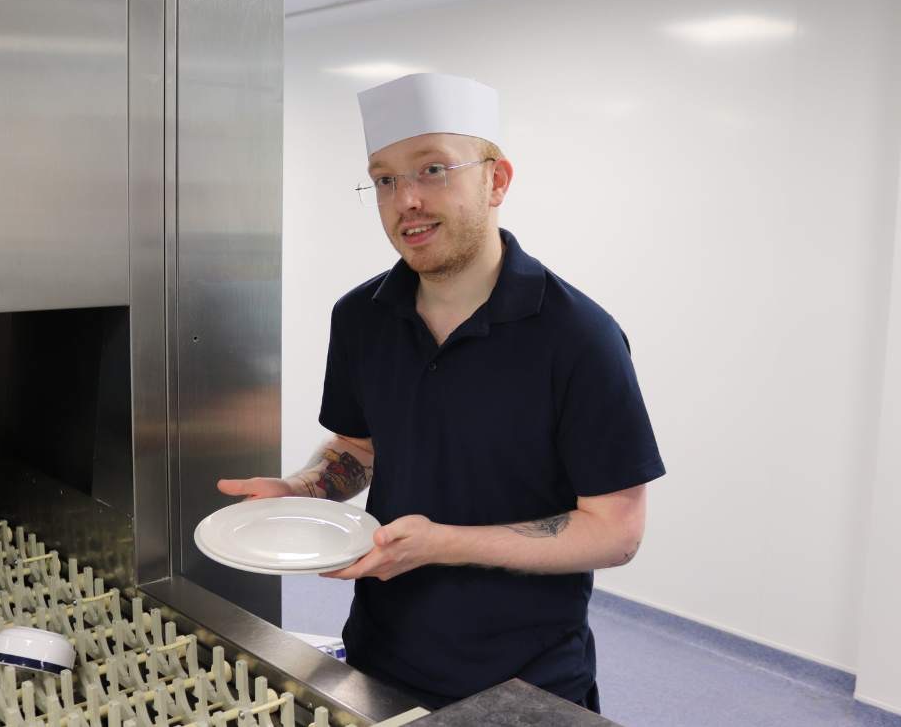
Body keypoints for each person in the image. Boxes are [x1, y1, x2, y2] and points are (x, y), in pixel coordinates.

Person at [217, 72, 665, 712]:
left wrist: (442, 543)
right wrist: (296, 492)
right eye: (385, 178)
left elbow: (615, 532)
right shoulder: (361, 317)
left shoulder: (578, 337)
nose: (407, 200)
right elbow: (358, 447)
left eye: (433, 169)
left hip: (526, 680)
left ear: (497, 180)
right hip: (379, 652)